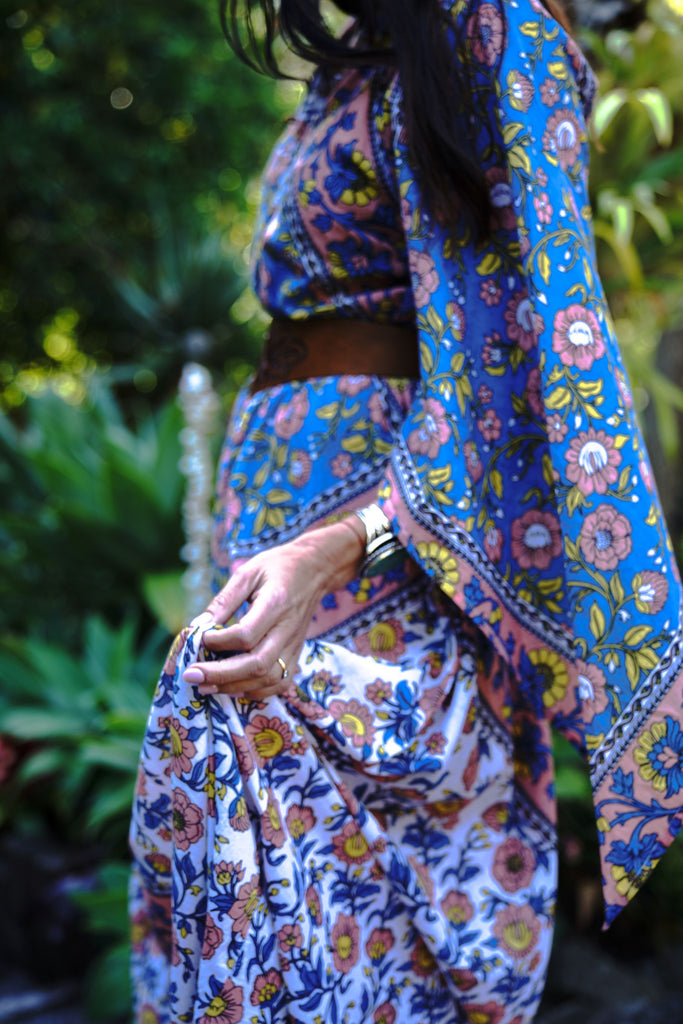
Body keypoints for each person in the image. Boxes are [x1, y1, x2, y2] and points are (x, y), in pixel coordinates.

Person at [129, 1, 683, 1021]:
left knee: (360, 924)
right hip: (281, 514)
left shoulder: (495, 34)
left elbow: (522, 385)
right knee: (266, 899)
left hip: (392, 560)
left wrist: (341, 548)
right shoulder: (360, 57)